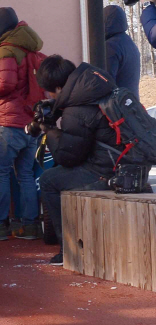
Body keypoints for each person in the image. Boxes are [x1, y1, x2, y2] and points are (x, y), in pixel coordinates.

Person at [36, 55, 127, 266]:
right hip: (123, 164)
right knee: (59, 176)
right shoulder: (94, 86)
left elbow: (67, 156)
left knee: (49, 180)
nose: (49, 95)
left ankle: (67, 249)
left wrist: (48, 130)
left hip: (106, 171)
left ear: (59, 88)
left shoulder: (76, 109)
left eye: (50, 91)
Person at [0, 7, 42, 240]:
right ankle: (30, 225)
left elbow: (5, 84)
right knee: (25, 174)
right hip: (31, 121)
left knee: (0, 173)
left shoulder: (6, 50)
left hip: (11, 122)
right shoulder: (28, 46)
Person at [104, 5, 140, 99]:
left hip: (119, 108)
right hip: (131, 105)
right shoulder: (128, 42)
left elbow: (106, 82)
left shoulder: (111, 46)